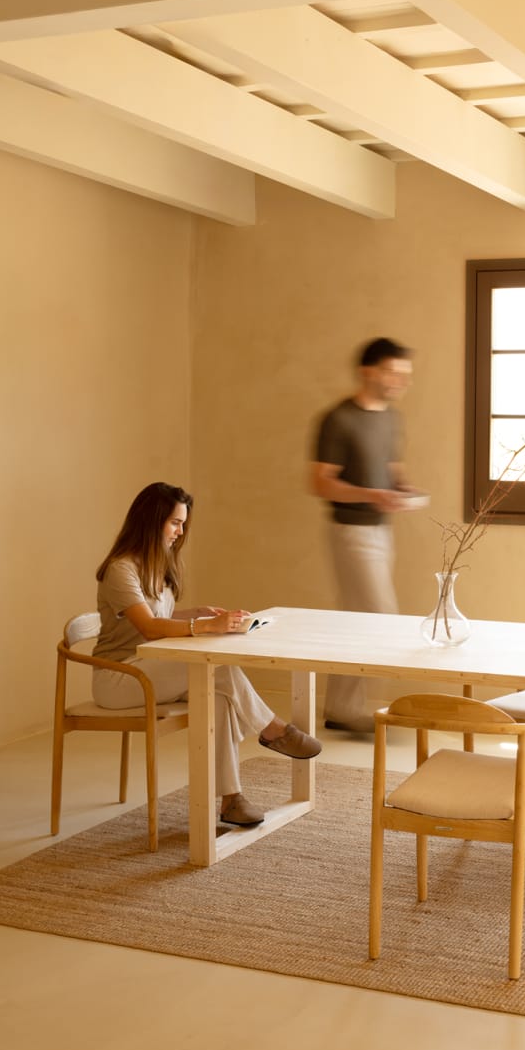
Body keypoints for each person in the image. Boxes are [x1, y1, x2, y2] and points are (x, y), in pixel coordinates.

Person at [92, 482, 321, 828]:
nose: (180, 531)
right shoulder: (120, 569)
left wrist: (201, 614)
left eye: (183, 523)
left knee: (217, 694)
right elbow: (150, 628)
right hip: (120, 677)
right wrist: (208, 627)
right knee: (219, 667)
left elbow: (162, 619)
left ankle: (231, 799)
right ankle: (273, 729)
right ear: (149, 521)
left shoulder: (156, 565)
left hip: (149, 670)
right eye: (174, 522)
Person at [310, 337, 421, 734]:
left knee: (355, 621)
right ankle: (344, 706)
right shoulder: (338, 419)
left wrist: (402, 489)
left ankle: (342, 707)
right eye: (393, 372)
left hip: (382, 533)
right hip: (350, 531)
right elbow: (321, 483)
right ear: (367, 372)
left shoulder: (390, 417)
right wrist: (370, 495)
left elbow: (392, 466)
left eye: (404, 374)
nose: (400, 381)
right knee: (379, 618)